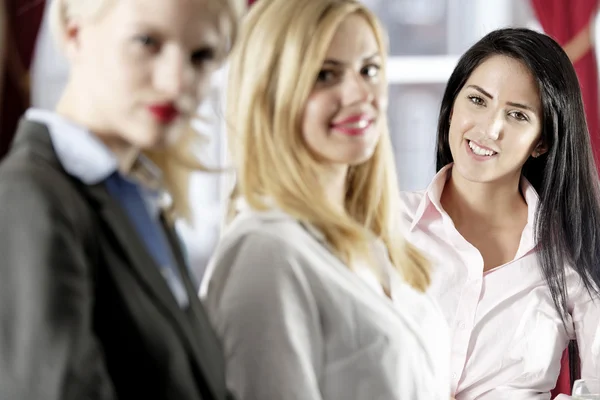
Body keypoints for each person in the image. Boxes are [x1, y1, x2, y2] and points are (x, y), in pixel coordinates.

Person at [199, 0, 450, 399]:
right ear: (270, 94)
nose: (358, 93)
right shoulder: (265, 253)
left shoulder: (373, 244)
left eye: (368, 70)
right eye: (325, 75)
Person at [0, 0, 243, 399]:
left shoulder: (139, 203)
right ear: (73, 33)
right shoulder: (32, 198)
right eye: (147, 41)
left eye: (202, 56)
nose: (176, 82)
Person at [400, 28, 600, 400]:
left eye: (517, 115)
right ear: (452, 107)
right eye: (477, 100)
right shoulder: (381, 225)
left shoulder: (576, 250)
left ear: (542, 141)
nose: (490, 128)